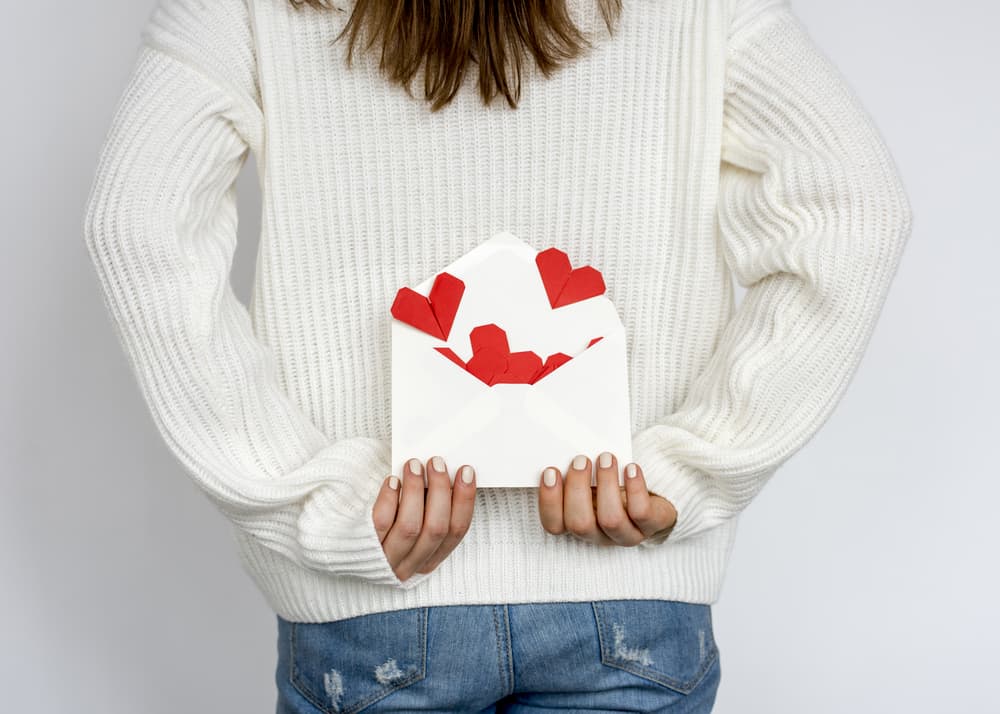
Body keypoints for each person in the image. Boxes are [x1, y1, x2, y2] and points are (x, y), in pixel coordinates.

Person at [82, 0, 913, 710]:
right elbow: (852, 208)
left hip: (371, 609)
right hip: (628, 598)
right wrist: (686, 469)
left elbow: (137, 223)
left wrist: (310, 499)